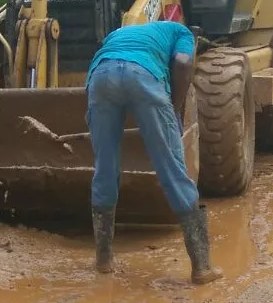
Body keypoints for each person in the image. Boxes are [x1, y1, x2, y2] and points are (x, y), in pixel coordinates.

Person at [86, 21, 221, 286]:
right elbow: (182, 63)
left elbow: (106, 60)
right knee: (171, 169)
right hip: (143, 76)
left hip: (100, 78)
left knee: (104, 167)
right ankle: (202, 267)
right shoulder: (181, 32)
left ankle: (104, 260)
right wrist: (175, 107)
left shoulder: (117, 33)